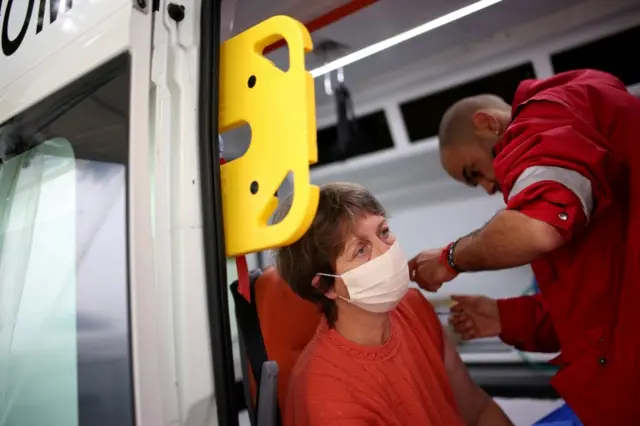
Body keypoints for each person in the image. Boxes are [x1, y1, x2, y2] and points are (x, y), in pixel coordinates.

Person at [409, 69, 640, 425]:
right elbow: (599, 307)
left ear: (487, 123)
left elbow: (538, 228)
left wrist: (449, 258)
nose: (487, 188)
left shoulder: (545, 117)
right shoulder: (577, 151)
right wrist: (506, 318)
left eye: (473, 172)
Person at [274, 182, 512, 426]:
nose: (385, 252)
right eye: (361, 250)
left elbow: (478, 411)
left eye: (383, 232)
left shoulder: (414, 305)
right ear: (326, 286)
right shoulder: (328, 396)